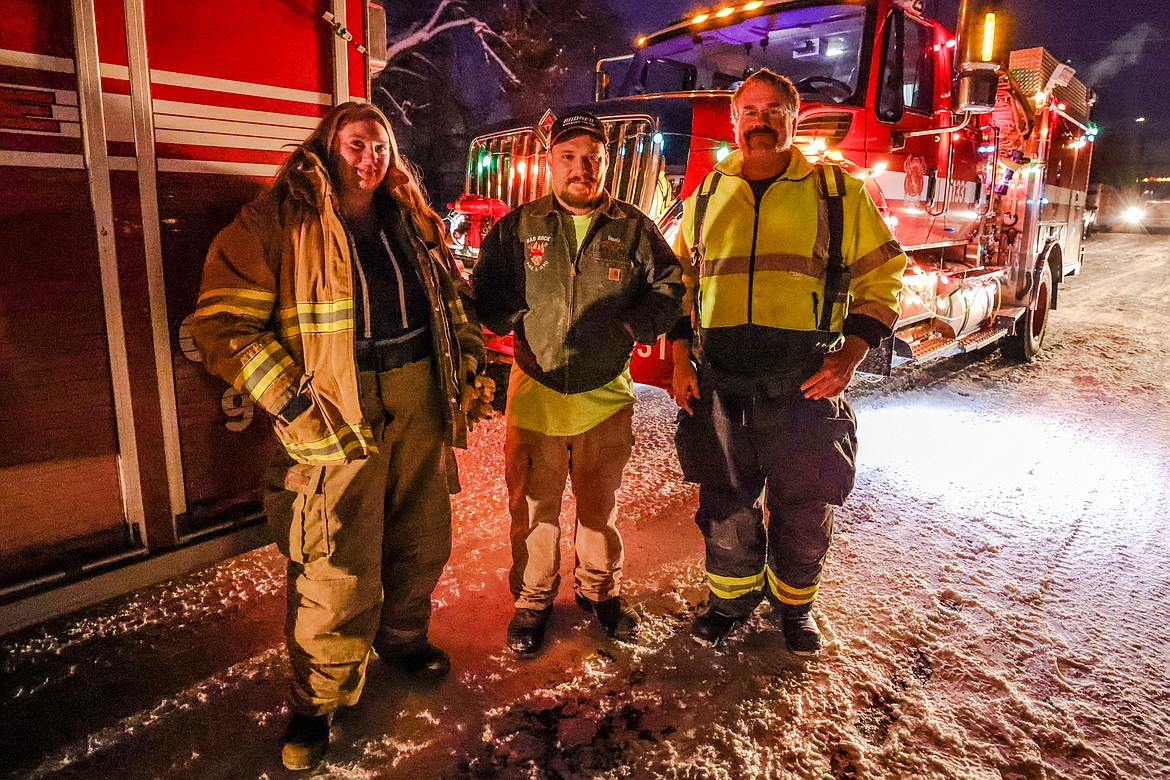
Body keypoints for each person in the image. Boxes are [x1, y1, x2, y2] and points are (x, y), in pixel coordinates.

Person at [190, 101, 486, 770]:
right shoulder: (277, 221)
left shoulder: (410, 217)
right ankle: (318, 699)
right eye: (356, 144)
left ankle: (404, 639)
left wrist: (465, 360)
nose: (370, 157)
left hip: (417, 396)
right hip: (334, 410)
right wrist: (289, 398)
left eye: (380, 144)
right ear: (327, 147)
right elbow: (222, 326)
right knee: (334, 561)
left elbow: (451, 297)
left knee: (420, 535)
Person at [670, 70, 906, 655]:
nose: (761, 119)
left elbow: (884, 275)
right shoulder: (704, 197)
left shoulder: (836, 192)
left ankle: (796, 608)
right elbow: (675, 285)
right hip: (720, 379)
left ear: (794, 119)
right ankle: (730, 601)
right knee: (725, 501)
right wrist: (679, 357)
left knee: (803, 504)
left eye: (775, 109)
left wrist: (850, 356)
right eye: (750, 110)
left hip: (804, 381)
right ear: (734, 121)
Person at [472, 110, 684, 655]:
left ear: (606, 161)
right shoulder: (519, 226)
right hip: (535, 392)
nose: (581, 168)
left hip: (605, 396)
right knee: (535, 510)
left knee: (598, 508)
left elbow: (671, 286)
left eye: (592, 157)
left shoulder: (634, 227)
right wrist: (509, 317)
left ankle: (600, 593)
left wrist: (634, 326)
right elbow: (485, 291)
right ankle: (533, 601)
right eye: (568, 157)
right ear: (550, 162)